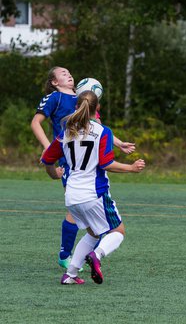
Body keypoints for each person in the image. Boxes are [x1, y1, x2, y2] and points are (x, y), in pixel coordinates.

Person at [31, 66, 136, 269]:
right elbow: (36, 123)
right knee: (79, 210)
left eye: (70, 72)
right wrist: (48, 149)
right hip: (70, 160)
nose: (69, 74)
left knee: (85, 216)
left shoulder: (84, 100)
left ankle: (76, 262)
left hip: (89, 161)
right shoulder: (55, 98)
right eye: (63, 73)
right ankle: (67, 256)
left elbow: (95, 131)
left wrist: (119, 143)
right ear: (54, 82)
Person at [41, 90, 145, 285]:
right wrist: (130, 168)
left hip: (71, 196)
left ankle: (70, 274)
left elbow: (47, 159)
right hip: (93, 194)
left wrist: (54, 174)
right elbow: (106, 164)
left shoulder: (66, 131)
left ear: (76, 107)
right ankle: (96, 255)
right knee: (118, 231)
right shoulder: (103, 131)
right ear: (98, 108)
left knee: (93, 233)